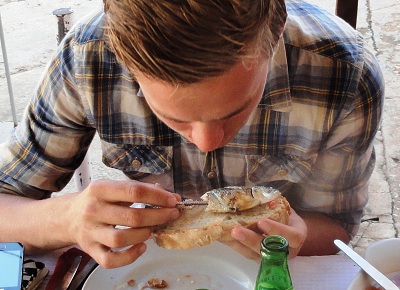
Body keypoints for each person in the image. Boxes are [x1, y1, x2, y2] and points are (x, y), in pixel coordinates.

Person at [0, 0, 384, 269]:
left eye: (236, 110)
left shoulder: (344, 74)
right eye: (174, 118)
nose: (206, 142)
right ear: (121, 55)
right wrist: (65, 219)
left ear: (276, 28)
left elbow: (337, 227)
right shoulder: (88, 59)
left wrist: (298, 236)